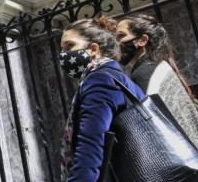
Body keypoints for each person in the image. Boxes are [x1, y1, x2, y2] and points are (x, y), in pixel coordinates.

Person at [116, 13, 198, 182]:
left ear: (142, 40)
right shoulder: (160, 69)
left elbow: (148, 134)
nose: (116, 43)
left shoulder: (143, 76)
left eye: (121, 36)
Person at [59, 15, 145, 182]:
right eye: (62, 49)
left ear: (93, 49)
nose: (63, 55)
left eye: (69, 46)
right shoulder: (114, 76)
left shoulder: (100, 80)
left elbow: (90, 144)